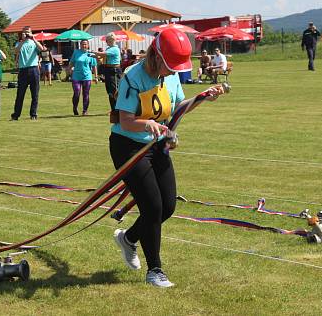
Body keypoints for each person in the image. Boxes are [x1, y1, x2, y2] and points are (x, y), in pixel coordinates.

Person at [109, 28, 226, 288]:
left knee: (168, 206)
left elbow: (178, 108)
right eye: (170, 65)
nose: (174, 71)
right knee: (152, 207)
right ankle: (155, 271)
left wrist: (205, 96)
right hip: (129, 147)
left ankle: (128, 239)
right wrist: (147, 124)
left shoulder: (171, 77)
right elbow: (126, 122)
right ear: (157, 56)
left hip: (157, 145)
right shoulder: (133, 77)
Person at [11, 26, 44, 121]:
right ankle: (16, 115)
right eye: (24, 32)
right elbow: (16, 51)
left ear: (31, 32)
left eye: (28, 32)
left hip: (34, 69)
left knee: (35, 94)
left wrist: (33, 38)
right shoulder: (19, 43)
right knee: (20, 94)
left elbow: (41, 49)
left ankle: (33, 114)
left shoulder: (34, 42)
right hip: (23, 70)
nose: (26, 34)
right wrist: (23, 40)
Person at [68, 40, 98, 116]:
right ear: (80, 45)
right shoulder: (76, 52)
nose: (84, 46)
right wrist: (69, 70)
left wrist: (96, 77)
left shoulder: (91, 54)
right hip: (76, 76)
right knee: (77, 92)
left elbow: (94, 66)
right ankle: (75, 108)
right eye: (82, 44)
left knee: (86, 94)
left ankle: (85, 110)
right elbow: (71, 62)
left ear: (88, 45)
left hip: (87, 76)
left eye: (85, 44)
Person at [94, 33, 121, 111]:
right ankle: (113, 109)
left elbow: (103, 54)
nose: (106, 42)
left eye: (107, 40)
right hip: (108, 70)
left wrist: (94, 52)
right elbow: (102, 56)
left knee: (115, 90)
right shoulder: (109, 48)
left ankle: (118, 109)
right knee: (109, 91)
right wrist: (94, 56)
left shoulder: (115, 49)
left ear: (112, 40)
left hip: (114, 71)